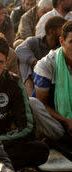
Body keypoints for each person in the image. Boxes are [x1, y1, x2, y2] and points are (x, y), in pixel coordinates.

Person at [0, 33, 49, 169]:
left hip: (1, 143)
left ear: (6, 61)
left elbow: (27, 128)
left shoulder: (13, 83)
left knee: (41, 150)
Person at [33, 21, 72, 157]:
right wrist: (66, 121)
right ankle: (60, 140)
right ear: (61, 41)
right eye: (71, 42)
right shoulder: (46, 64)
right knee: (33, 103)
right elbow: (42, 103)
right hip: (56, 121)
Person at [16, 16, 66, 94]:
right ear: (52, 31)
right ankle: (30, 98)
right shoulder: (34, 41)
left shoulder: (63, 45)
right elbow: (19, 50)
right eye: (62, 30)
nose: (65, 33)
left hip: (54, 78)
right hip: (34, 79)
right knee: (25, 62)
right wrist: (36, 63)